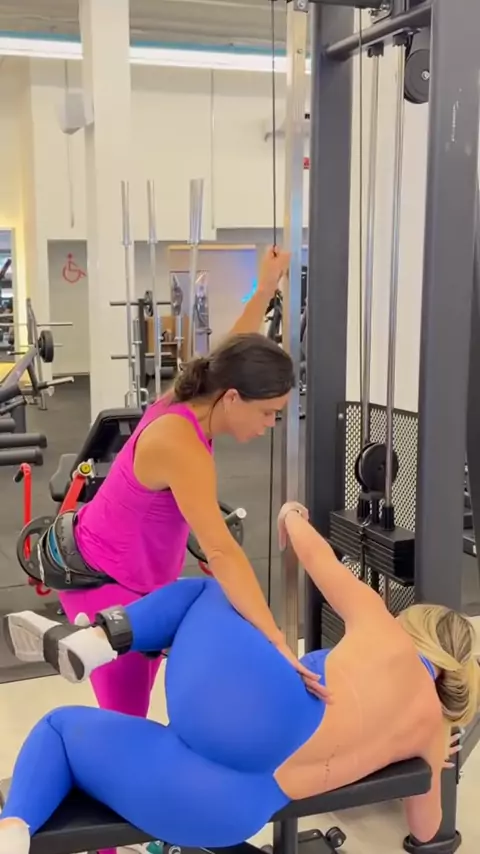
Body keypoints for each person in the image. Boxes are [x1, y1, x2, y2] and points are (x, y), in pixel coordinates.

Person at [2, 503, 479, 854]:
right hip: (232, 804)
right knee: (60, 729)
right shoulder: (430, 732)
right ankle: (13, 836)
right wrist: (437, 761)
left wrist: (292, 516)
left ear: (418, 629)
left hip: (268, 714)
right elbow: (425, 831)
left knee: (213, 590)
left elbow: (321, 561)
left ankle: (97, 639)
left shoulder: (386, 629)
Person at [47, 245, 325, 715]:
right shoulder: (182, 443)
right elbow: (221, 551)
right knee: (126, 721)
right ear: (232, 398)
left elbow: (235, 348)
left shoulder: (194, 392)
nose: (270, 425)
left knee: (195, 613)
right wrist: (278, 641)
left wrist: (266, 285)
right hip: (106, 583)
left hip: (136, 574)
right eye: (267, 413)